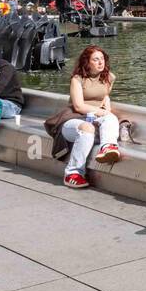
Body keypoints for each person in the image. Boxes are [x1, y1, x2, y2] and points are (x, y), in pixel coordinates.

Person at [51, 46, 127, 187]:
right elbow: (79, 106)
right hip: (73, 119)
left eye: (102, 59)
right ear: (87, 62)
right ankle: (72, 173)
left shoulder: (110, 77)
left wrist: (107, 110)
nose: (100, 62)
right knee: (87, 128)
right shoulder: (77, 79)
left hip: (95, 118)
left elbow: (105, 97)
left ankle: (108, 147)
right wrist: (103, 112)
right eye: (96, 59)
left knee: (111, 118)